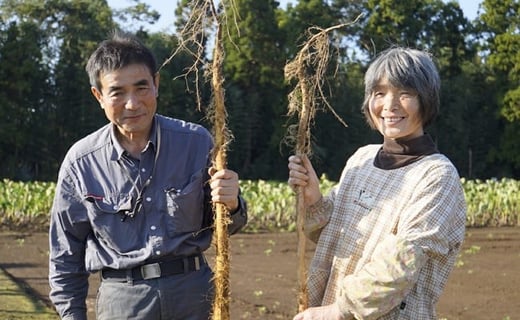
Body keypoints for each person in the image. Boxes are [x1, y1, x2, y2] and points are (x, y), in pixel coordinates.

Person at [49, 31, 247, 320]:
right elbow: (65, 256)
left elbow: (227, 227)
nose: (132, 103)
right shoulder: (82, 162)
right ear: (99, 95)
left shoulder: (196, 142)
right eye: (117, 92)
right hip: (123, 302)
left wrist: (232, 205)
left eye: (142, 87)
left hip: (194, 296)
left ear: (156, 84)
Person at [288, 47, 466, 320]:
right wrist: (313, 200)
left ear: (426, 101)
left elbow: (400, 265)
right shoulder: (362, 158)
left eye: (405, 93)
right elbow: (332, 234)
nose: (389, 105)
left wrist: (338, 311)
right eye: (379, 92)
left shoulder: (436, 176)